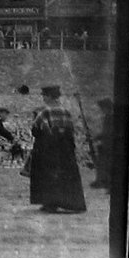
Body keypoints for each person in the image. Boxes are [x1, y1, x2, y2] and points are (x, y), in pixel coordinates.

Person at [30, 85, 87, 213]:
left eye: (44, 95)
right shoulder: (66, 111)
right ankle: (72, 203)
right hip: (65, 149)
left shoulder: (45, 112)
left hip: (48, 147)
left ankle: (50, 203)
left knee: (48, 174)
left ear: (49, 96)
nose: (43, 98)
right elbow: (71, 130)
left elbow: (36, 130)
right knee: (66, 174)